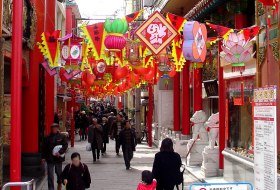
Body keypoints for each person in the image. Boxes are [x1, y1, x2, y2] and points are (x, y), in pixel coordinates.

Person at [42, 123, 68, 190]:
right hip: (50, 158)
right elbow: (44, 148)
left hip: (58, 158)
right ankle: (51, 188)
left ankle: (59, 183)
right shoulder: (47, 137)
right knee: (50, 174)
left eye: (55, 128)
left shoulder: (62, 136)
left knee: (59, 173)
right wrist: (43, 157)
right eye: (53, 128)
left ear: (57, 128)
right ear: (51, 129)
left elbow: (65, 146)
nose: (54, 129)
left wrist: (60, 152)